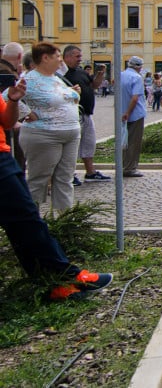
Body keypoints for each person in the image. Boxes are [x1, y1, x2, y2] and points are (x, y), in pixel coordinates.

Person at [0, 78, 113, 301]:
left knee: (24, 222)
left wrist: (13, 101)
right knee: (26, 220)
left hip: (3, 155)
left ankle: (54, 282)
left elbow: (6, 121)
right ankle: (64, 277)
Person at [19, 42, 82, 214]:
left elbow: (58, 97)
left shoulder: (56, 78)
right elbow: (7, 98)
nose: (61, 61)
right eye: (57, 57)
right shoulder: (29, 79)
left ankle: (64, 220)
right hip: (44, 135)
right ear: (45, 58)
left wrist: (72, 92)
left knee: (65, 179)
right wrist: (26, 112)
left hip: (70, 134)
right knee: (38, 180)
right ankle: (32, 221)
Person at [62, 45, 110, 184]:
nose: (80, 59)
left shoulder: (80, 71)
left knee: (88, 144)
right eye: (77, 56)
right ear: (68, 57)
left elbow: (94, 85)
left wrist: (100, 73)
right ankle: (70, 175)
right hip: (73, 114)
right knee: (73, 147)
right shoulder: (62, 74)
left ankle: (90, 172)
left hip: (87, 114)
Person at [120, 56, 147, 178]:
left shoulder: (121, 75)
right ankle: (130, 168)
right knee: (133, 142)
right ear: (139, 67)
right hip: (135, 114)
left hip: (121, 112)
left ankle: (123, 164)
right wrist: (128, 112)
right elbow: (135, 98)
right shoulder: (136, 78)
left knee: (123, 141)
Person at [0, 42, 25, 171]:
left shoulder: (9, 71)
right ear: (20, 56)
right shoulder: (5, 72)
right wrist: (28, 113)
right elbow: (7, 97)